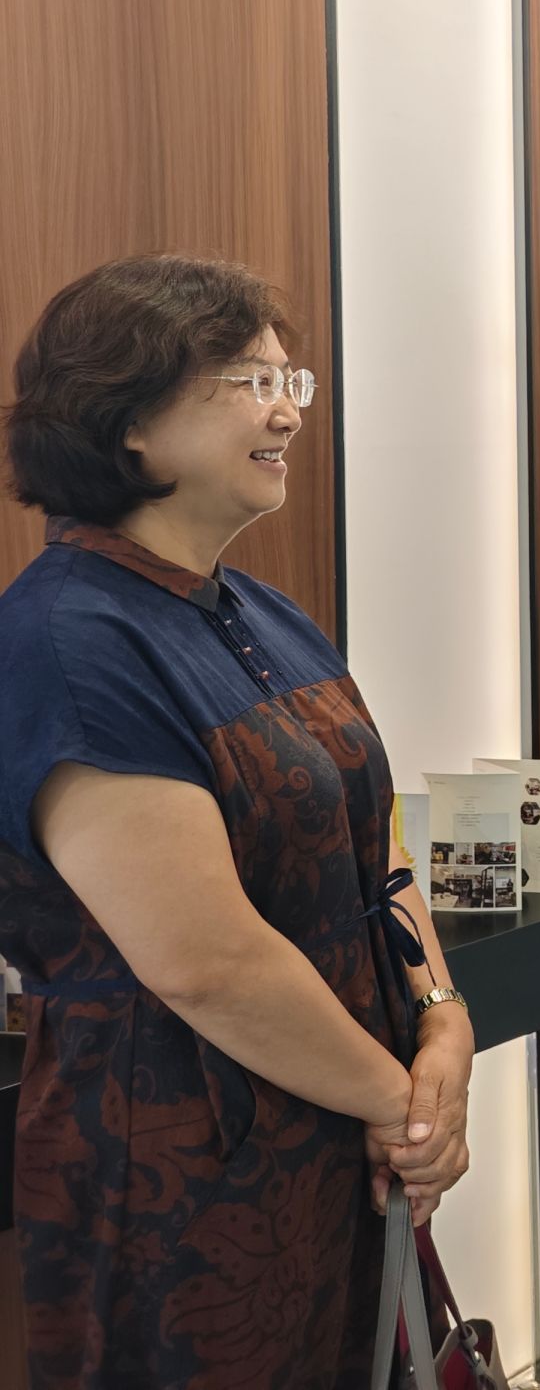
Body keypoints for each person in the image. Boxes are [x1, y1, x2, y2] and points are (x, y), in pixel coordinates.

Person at [0, 255, 476, 1387]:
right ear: (127, 423)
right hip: (181, 1149)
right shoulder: (67, 641)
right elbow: (204, 962)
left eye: (288, 379)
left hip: (337, 1107)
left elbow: (376, 842)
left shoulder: (260, 607)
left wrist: (443, 1021)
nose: (287, 411)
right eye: (249, 381)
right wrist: (406, 1106)